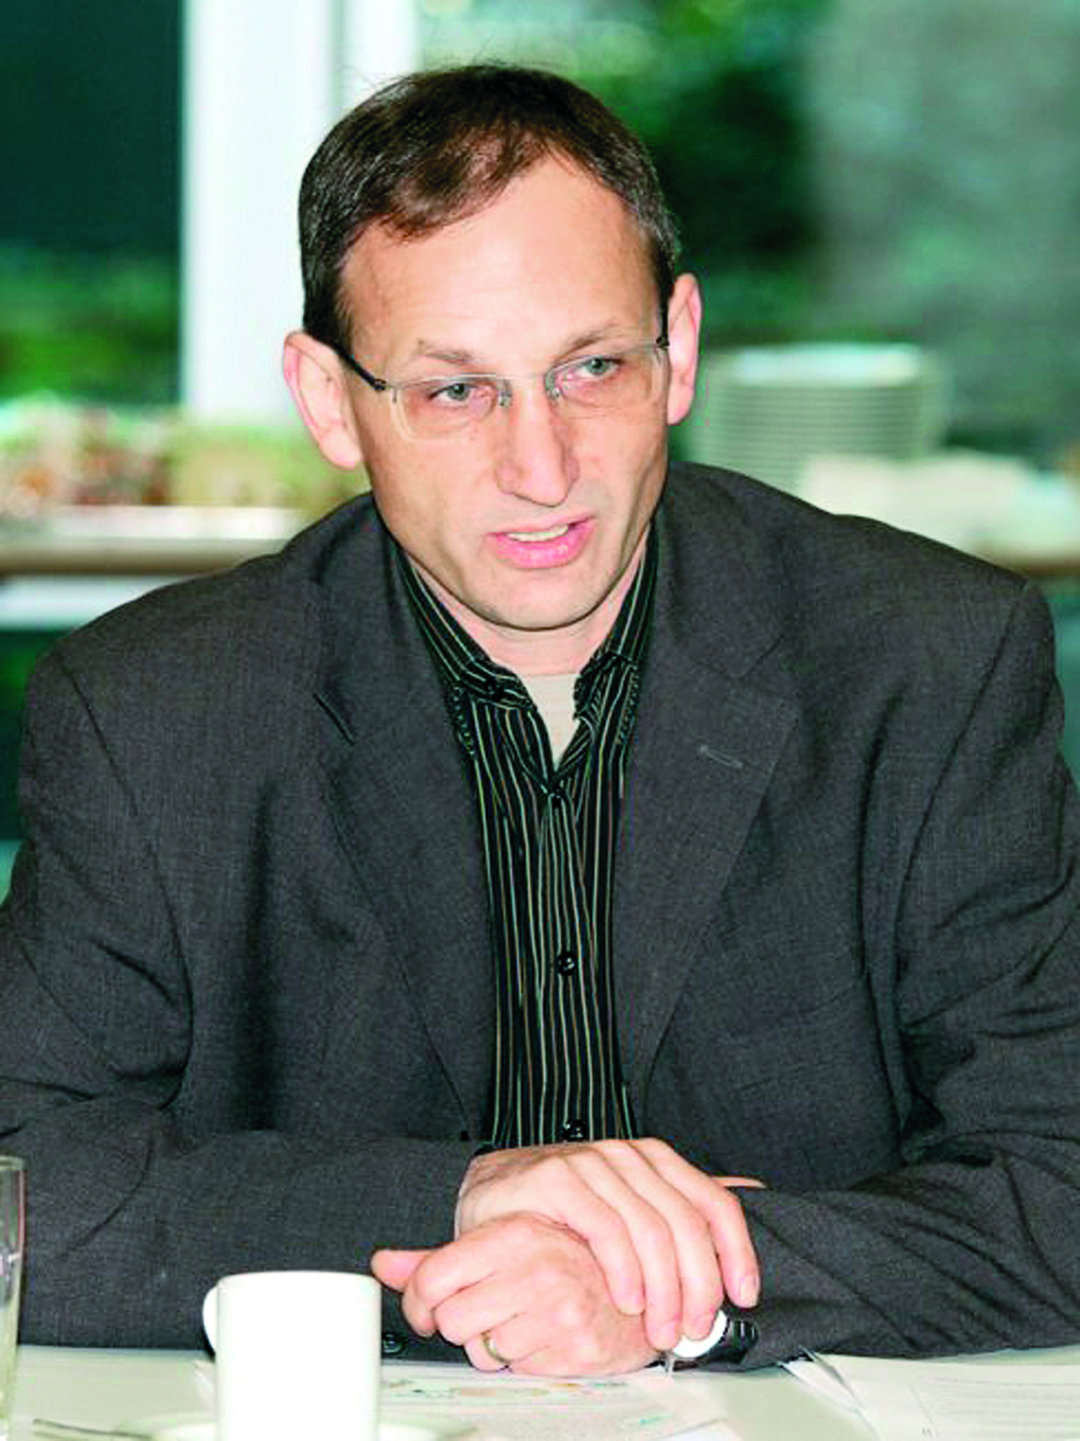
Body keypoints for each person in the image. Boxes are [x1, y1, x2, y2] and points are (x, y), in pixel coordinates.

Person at [2, 63, 1079, 1378]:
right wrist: (461, 1202)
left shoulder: (926, 664)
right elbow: (20, 1175)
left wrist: (683, 1287)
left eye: (591, 368)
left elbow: (1061, 1172)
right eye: (456, 391)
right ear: (331, 401)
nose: (541, 466)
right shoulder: (156, 713)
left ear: (679, 350)